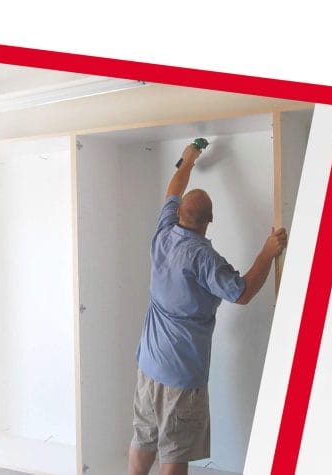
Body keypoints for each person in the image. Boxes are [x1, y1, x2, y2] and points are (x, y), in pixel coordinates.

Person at [127, 143, 288, 475]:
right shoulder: (203, 259)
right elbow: (241, 293)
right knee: (174, 450)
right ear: (210, 220)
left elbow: (173, 191)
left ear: (178, 213)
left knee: (143, 438)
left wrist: (187, 161)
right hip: (181, 376)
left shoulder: (163, 234)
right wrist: (268, 252)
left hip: (148, 364)